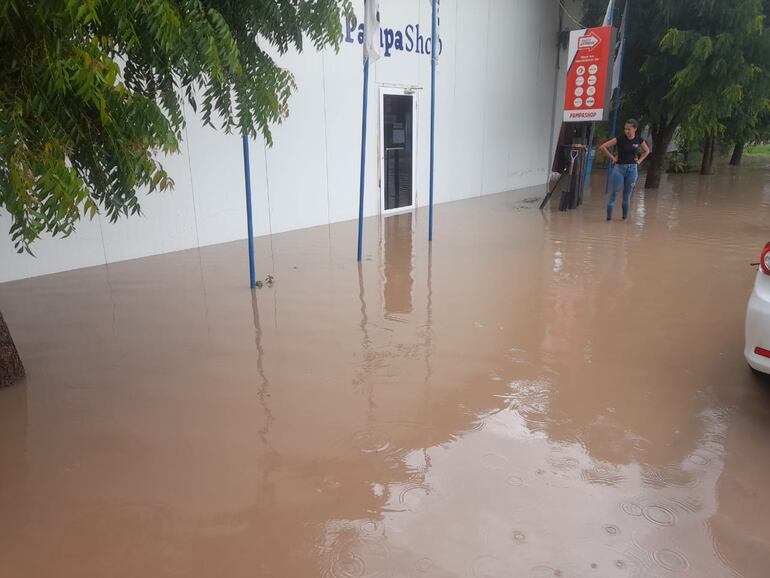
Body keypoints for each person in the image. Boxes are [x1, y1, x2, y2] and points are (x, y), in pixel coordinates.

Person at [599, 119, 650, 221]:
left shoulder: (639, 140)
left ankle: (624, 220)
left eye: (629, 129)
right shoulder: (620, 139)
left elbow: (647, 151)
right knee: (614, 193)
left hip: (632, 169)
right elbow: (603, 147)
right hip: (619, 169)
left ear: (635, 129)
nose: (626, 131)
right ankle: (608, 219)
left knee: (627, 196)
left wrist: (639, 161)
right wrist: (612, 158)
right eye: (625, 129)